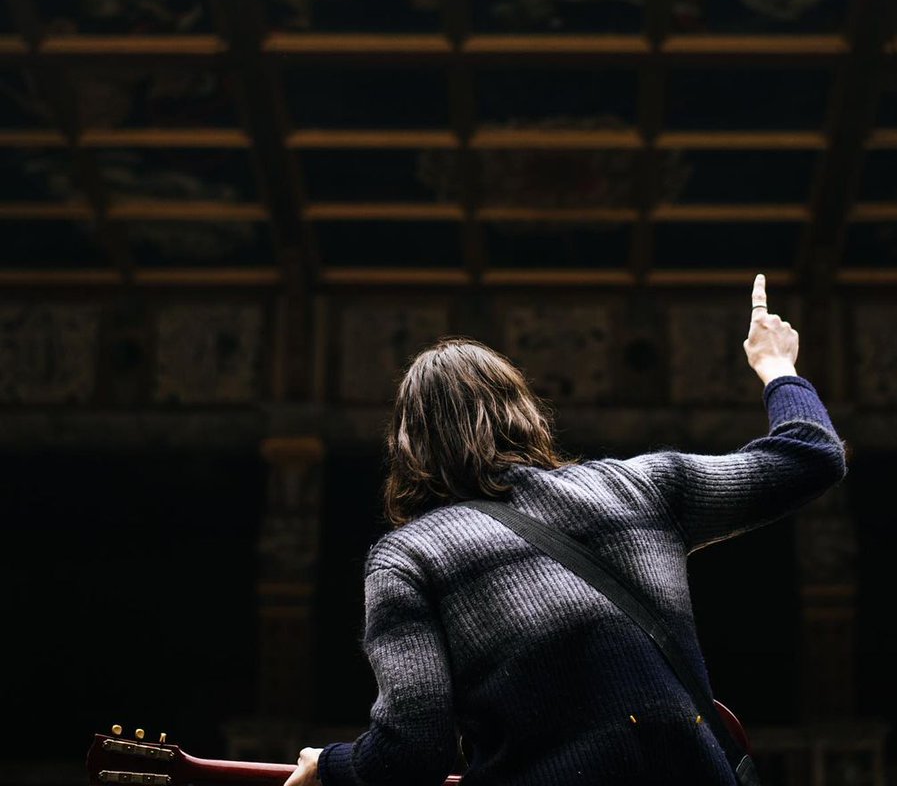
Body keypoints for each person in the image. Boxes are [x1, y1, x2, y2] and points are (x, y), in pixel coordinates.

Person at [283, 273, 846, 786]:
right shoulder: (639, 488)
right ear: (524, 411)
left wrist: (327, 766)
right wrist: (777, 367)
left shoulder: (410, 559)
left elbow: (412, 752)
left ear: (407, 446)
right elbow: (812, 456)